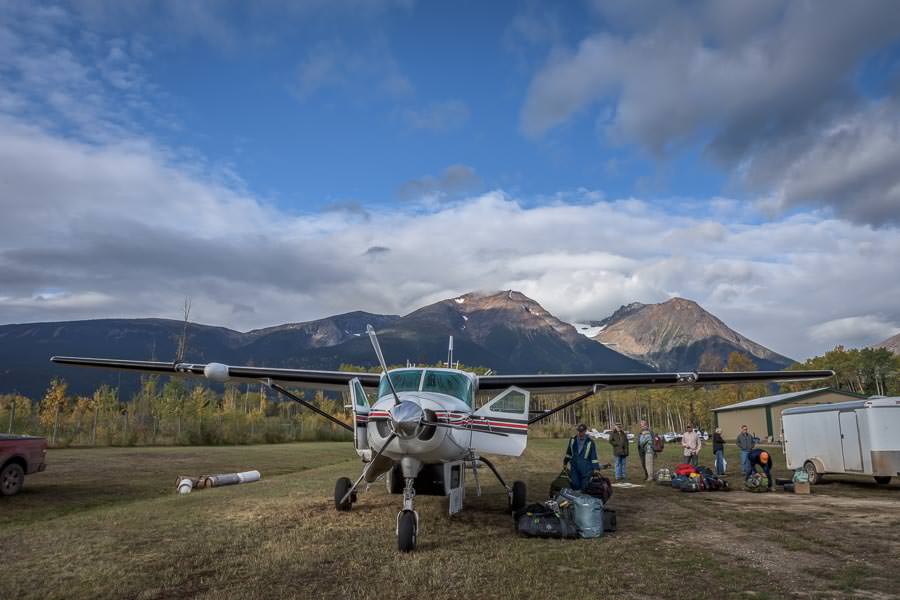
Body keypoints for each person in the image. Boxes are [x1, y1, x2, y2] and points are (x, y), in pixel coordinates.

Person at [563, 423, 600, 491]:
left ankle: (582, 500)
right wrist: (565, 462)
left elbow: (593, 457)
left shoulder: (590, 442)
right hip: (574, 467)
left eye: (582, 431)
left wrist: (596, 468)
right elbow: (568, 453)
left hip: (586, 468)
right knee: (575, 485)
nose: (580, 433)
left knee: (584, 487)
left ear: (585, 431)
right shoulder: (572, 440)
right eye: (579, 431)